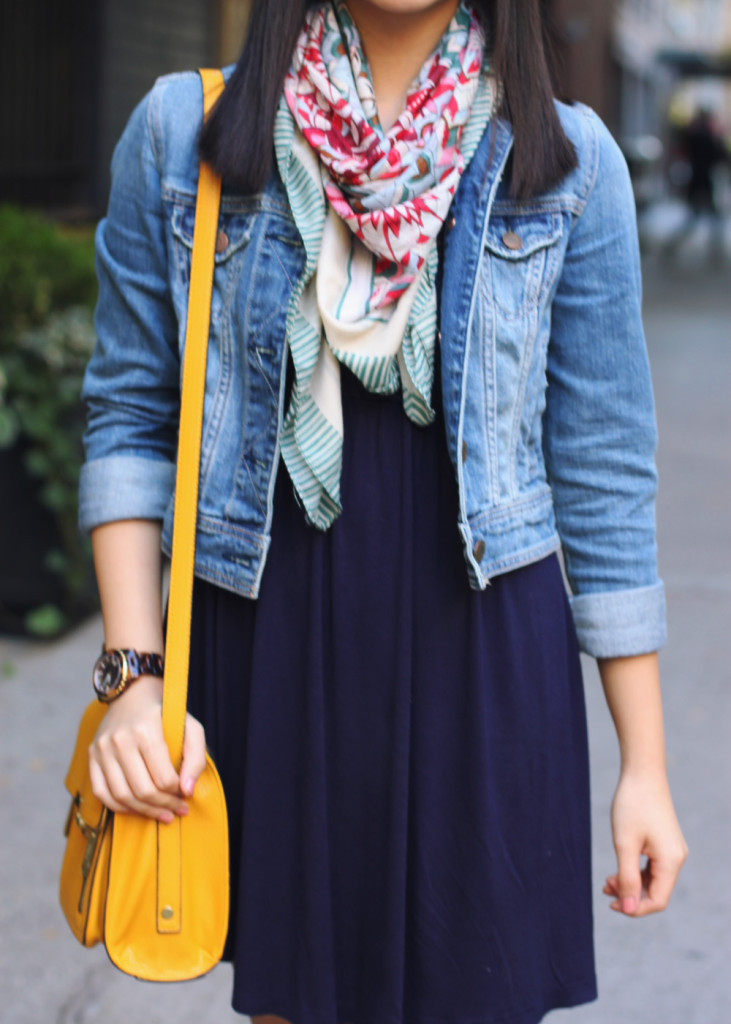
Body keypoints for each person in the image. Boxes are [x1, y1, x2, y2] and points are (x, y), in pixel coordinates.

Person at [79, 2, 688, 1022]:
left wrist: (644, 767)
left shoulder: (569, 162)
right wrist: (134, 682)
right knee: (294, 997)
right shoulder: (182, 133)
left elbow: (603, 473)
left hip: (486, 642)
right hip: (273, 633)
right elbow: (133, 417)